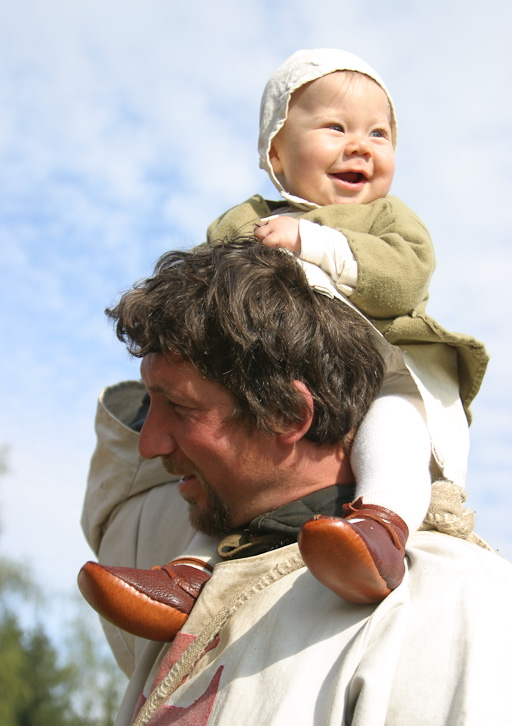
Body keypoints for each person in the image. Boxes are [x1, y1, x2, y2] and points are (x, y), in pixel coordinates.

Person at [79, 48, 488, 631]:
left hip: (388, 364)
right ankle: (191, 573)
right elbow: (206, 291)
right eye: (335, 127)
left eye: (379, 133)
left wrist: (312, 243)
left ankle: (379, 526)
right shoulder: (244, 219)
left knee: (395, 426)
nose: (361, 146)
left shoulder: (387, 219)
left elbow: (404, 279)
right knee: (228, 466)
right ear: (276, 152)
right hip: (283, 376)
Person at [80, 239, 512, 726]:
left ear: (287, 413)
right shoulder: (187, 599)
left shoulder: (454, 603)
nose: (148, 444)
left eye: (180, 407)